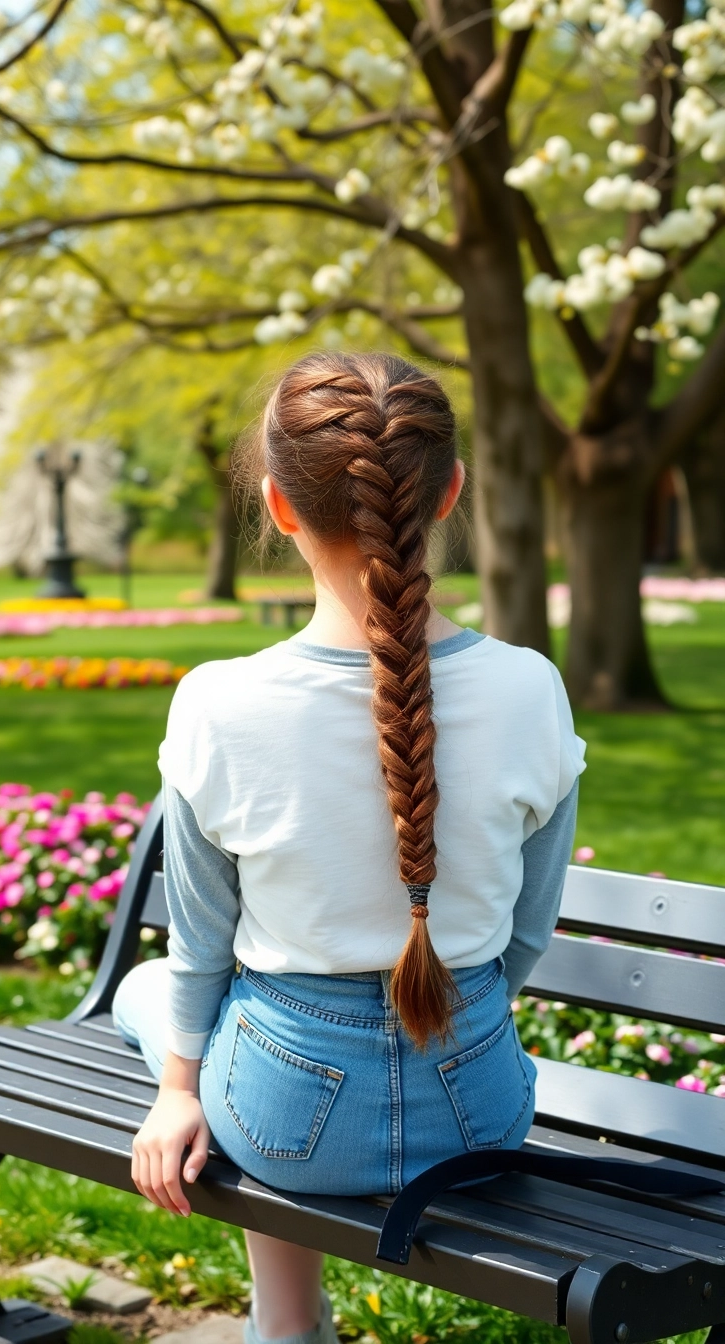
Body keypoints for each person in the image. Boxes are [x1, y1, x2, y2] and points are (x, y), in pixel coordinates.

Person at [113, 352, 586, 1344]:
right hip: (480, 1113)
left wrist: (175, 1097)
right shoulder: (532, 688)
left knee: (146, 992)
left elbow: (203, 946)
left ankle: (286, 1314)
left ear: (280, 508)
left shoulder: (219, 702)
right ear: (451, 491)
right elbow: (526, 934)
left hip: (290, 1120)